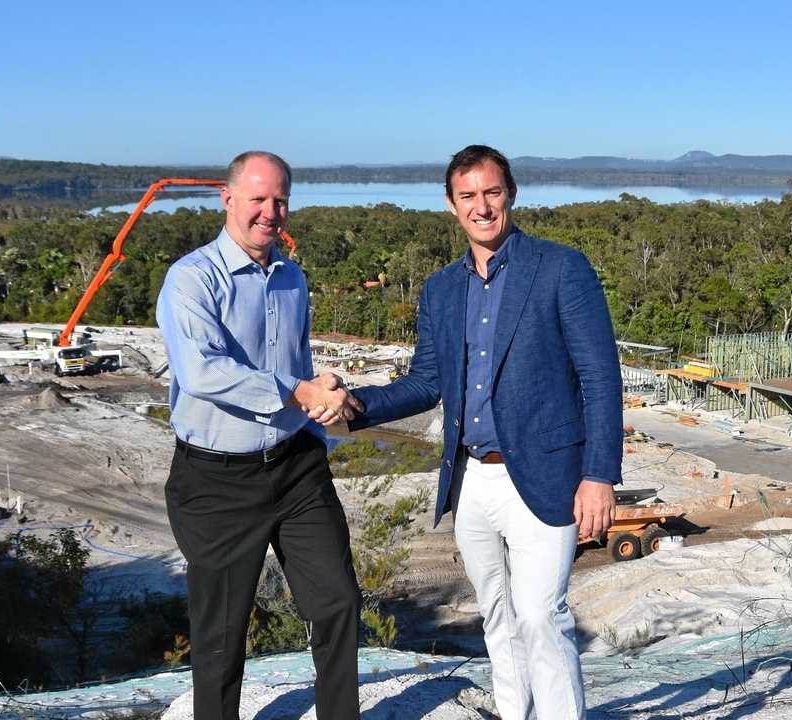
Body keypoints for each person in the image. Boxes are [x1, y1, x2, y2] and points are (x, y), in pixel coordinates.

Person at [343, 144, 622, 719]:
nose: (482, 206)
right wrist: (354, 404)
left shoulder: (560, 267)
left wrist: (599, 475)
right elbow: (424, 383)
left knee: (542, 614)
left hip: (546, 476)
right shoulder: (441, 290)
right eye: (468, 196)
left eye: (492, 192)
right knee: (496, 615)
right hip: (470, 480)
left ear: (511, 194)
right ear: (451, 205)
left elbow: (600, 375)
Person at [156, 150, 364, 720]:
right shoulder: (191, 279)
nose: (269, 212)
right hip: (217, 479)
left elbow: (295, 362)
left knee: (337, 602)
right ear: (226, 199)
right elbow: (202, 373)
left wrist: (319, 386)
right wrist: (299, 392)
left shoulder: (291, 278)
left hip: (296, 468)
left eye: (279, 201)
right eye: (257, 199)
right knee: (221, 635)